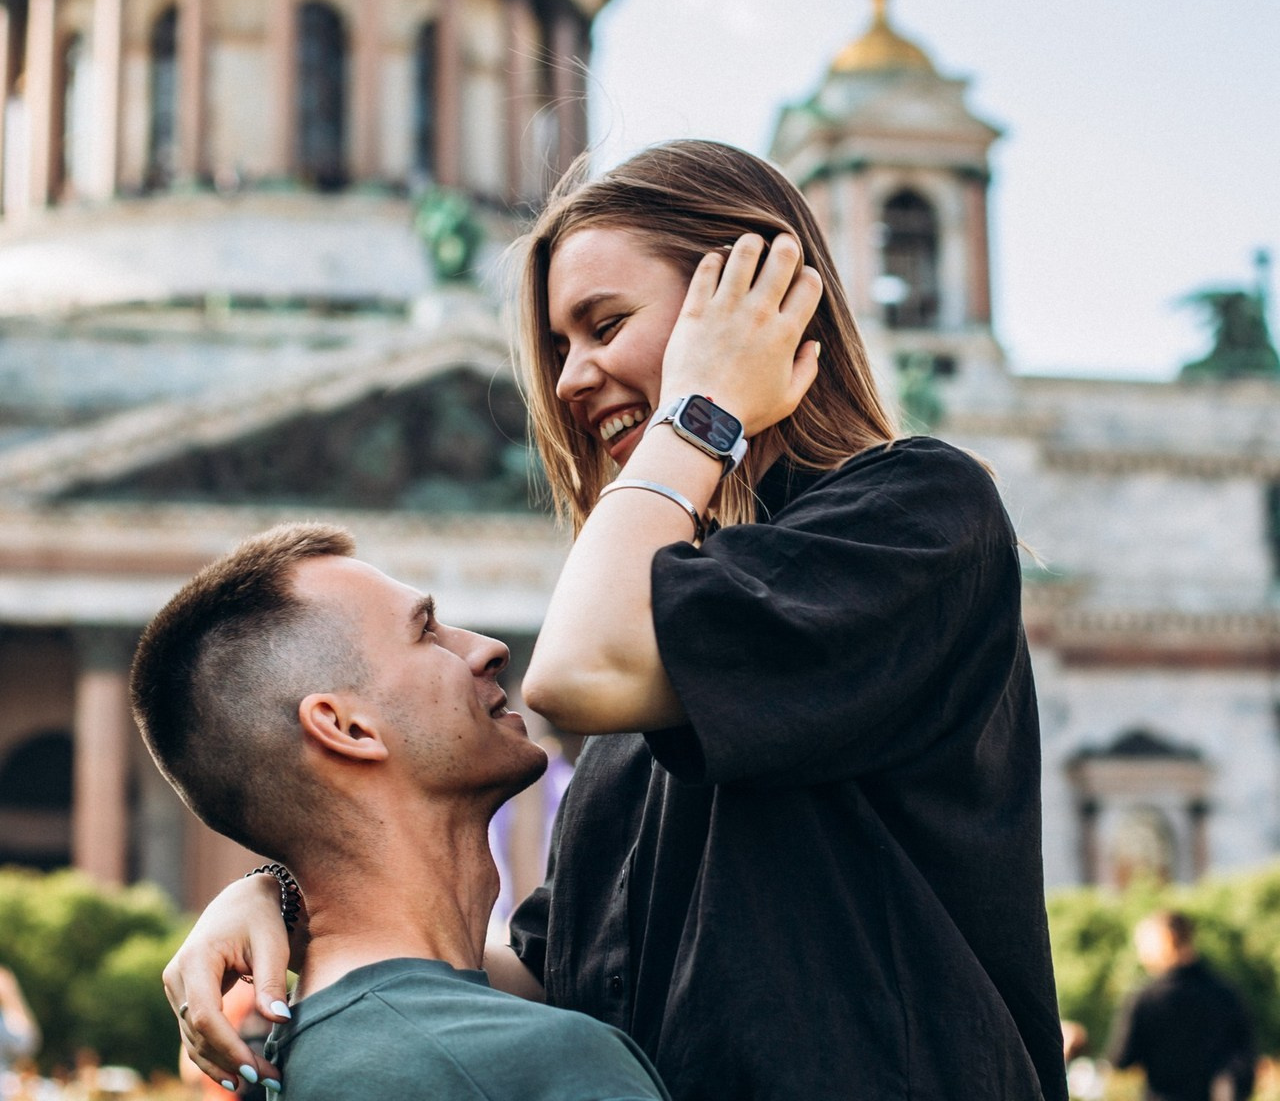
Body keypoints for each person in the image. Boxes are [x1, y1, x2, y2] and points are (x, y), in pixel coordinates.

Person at [163, 140, 1067, 1100]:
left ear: (758, 302)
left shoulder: (914, 512)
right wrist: (286, 899)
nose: (568, 381)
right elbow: (551, 984)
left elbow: (576, 672)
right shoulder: (649, 710)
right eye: (558, 349)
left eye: (604, 324)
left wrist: (703, 412)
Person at [131, 522, 670, 1100]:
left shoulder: (328, 1048)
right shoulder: (539, 1063)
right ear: (347, 728)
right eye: (427, 633)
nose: (490, 649)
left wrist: (280, 895)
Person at [1107, 910, 1255, 1101]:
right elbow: (1244, 1053)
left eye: (1144, 945)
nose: (1142, 954)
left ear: (1166, 941)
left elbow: (1121, 1059)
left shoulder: (1146, 998)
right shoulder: (1224, 992)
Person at [0, 965, 39, 1078]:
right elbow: (27, 1043)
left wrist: (10, 997)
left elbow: (27, 1043)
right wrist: (10, 996)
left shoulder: (5, 1019)